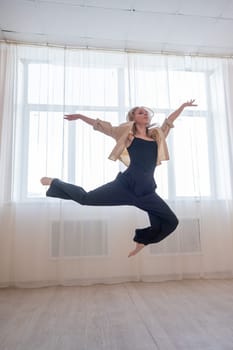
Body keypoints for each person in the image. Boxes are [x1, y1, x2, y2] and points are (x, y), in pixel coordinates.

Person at [41, 100, 197, 257]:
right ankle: (54, 182)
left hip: (147, 191)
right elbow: (102, 126)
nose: (145, 114)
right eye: (140, 112)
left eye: (146, 112)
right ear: (133, 117)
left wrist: (182, 107)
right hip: (125, 186)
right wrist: (81, 116)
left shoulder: (157, 136)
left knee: (171, 222)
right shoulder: (126, 135)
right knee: (86, 198)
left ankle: (142, 240)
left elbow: (169, 121)